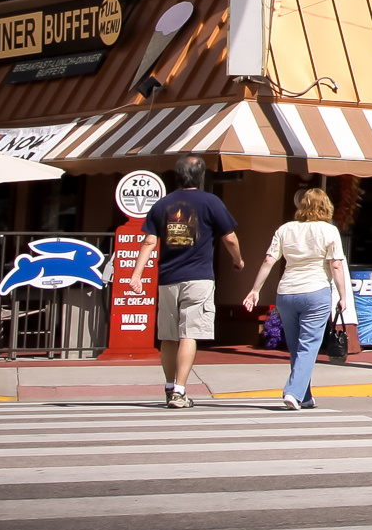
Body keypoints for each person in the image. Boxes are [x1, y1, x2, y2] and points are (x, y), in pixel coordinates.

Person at [129, 157, 242, 408]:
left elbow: (148, 242)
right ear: (200, 176)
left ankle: (170, 387)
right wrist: (239, 260)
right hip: (199, 278)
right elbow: (230, 238)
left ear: (177, 176)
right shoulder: (211, 202)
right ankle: (180, 392)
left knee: (168, 336)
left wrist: (136, 275)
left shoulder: (162, 204)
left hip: (167, 279)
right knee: (189, 333)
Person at [242, 187, 355, 410]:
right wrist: (343, 296)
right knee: (309, 345)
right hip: (316, 292)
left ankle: (304, 396)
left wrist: (255, 290)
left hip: (286, 293)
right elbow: (336, 265)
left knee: (296, 347)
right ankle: (292, 392)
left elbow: (268, 260)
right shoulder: (329, 231)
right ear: (326, 206)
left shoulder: (285, 229)